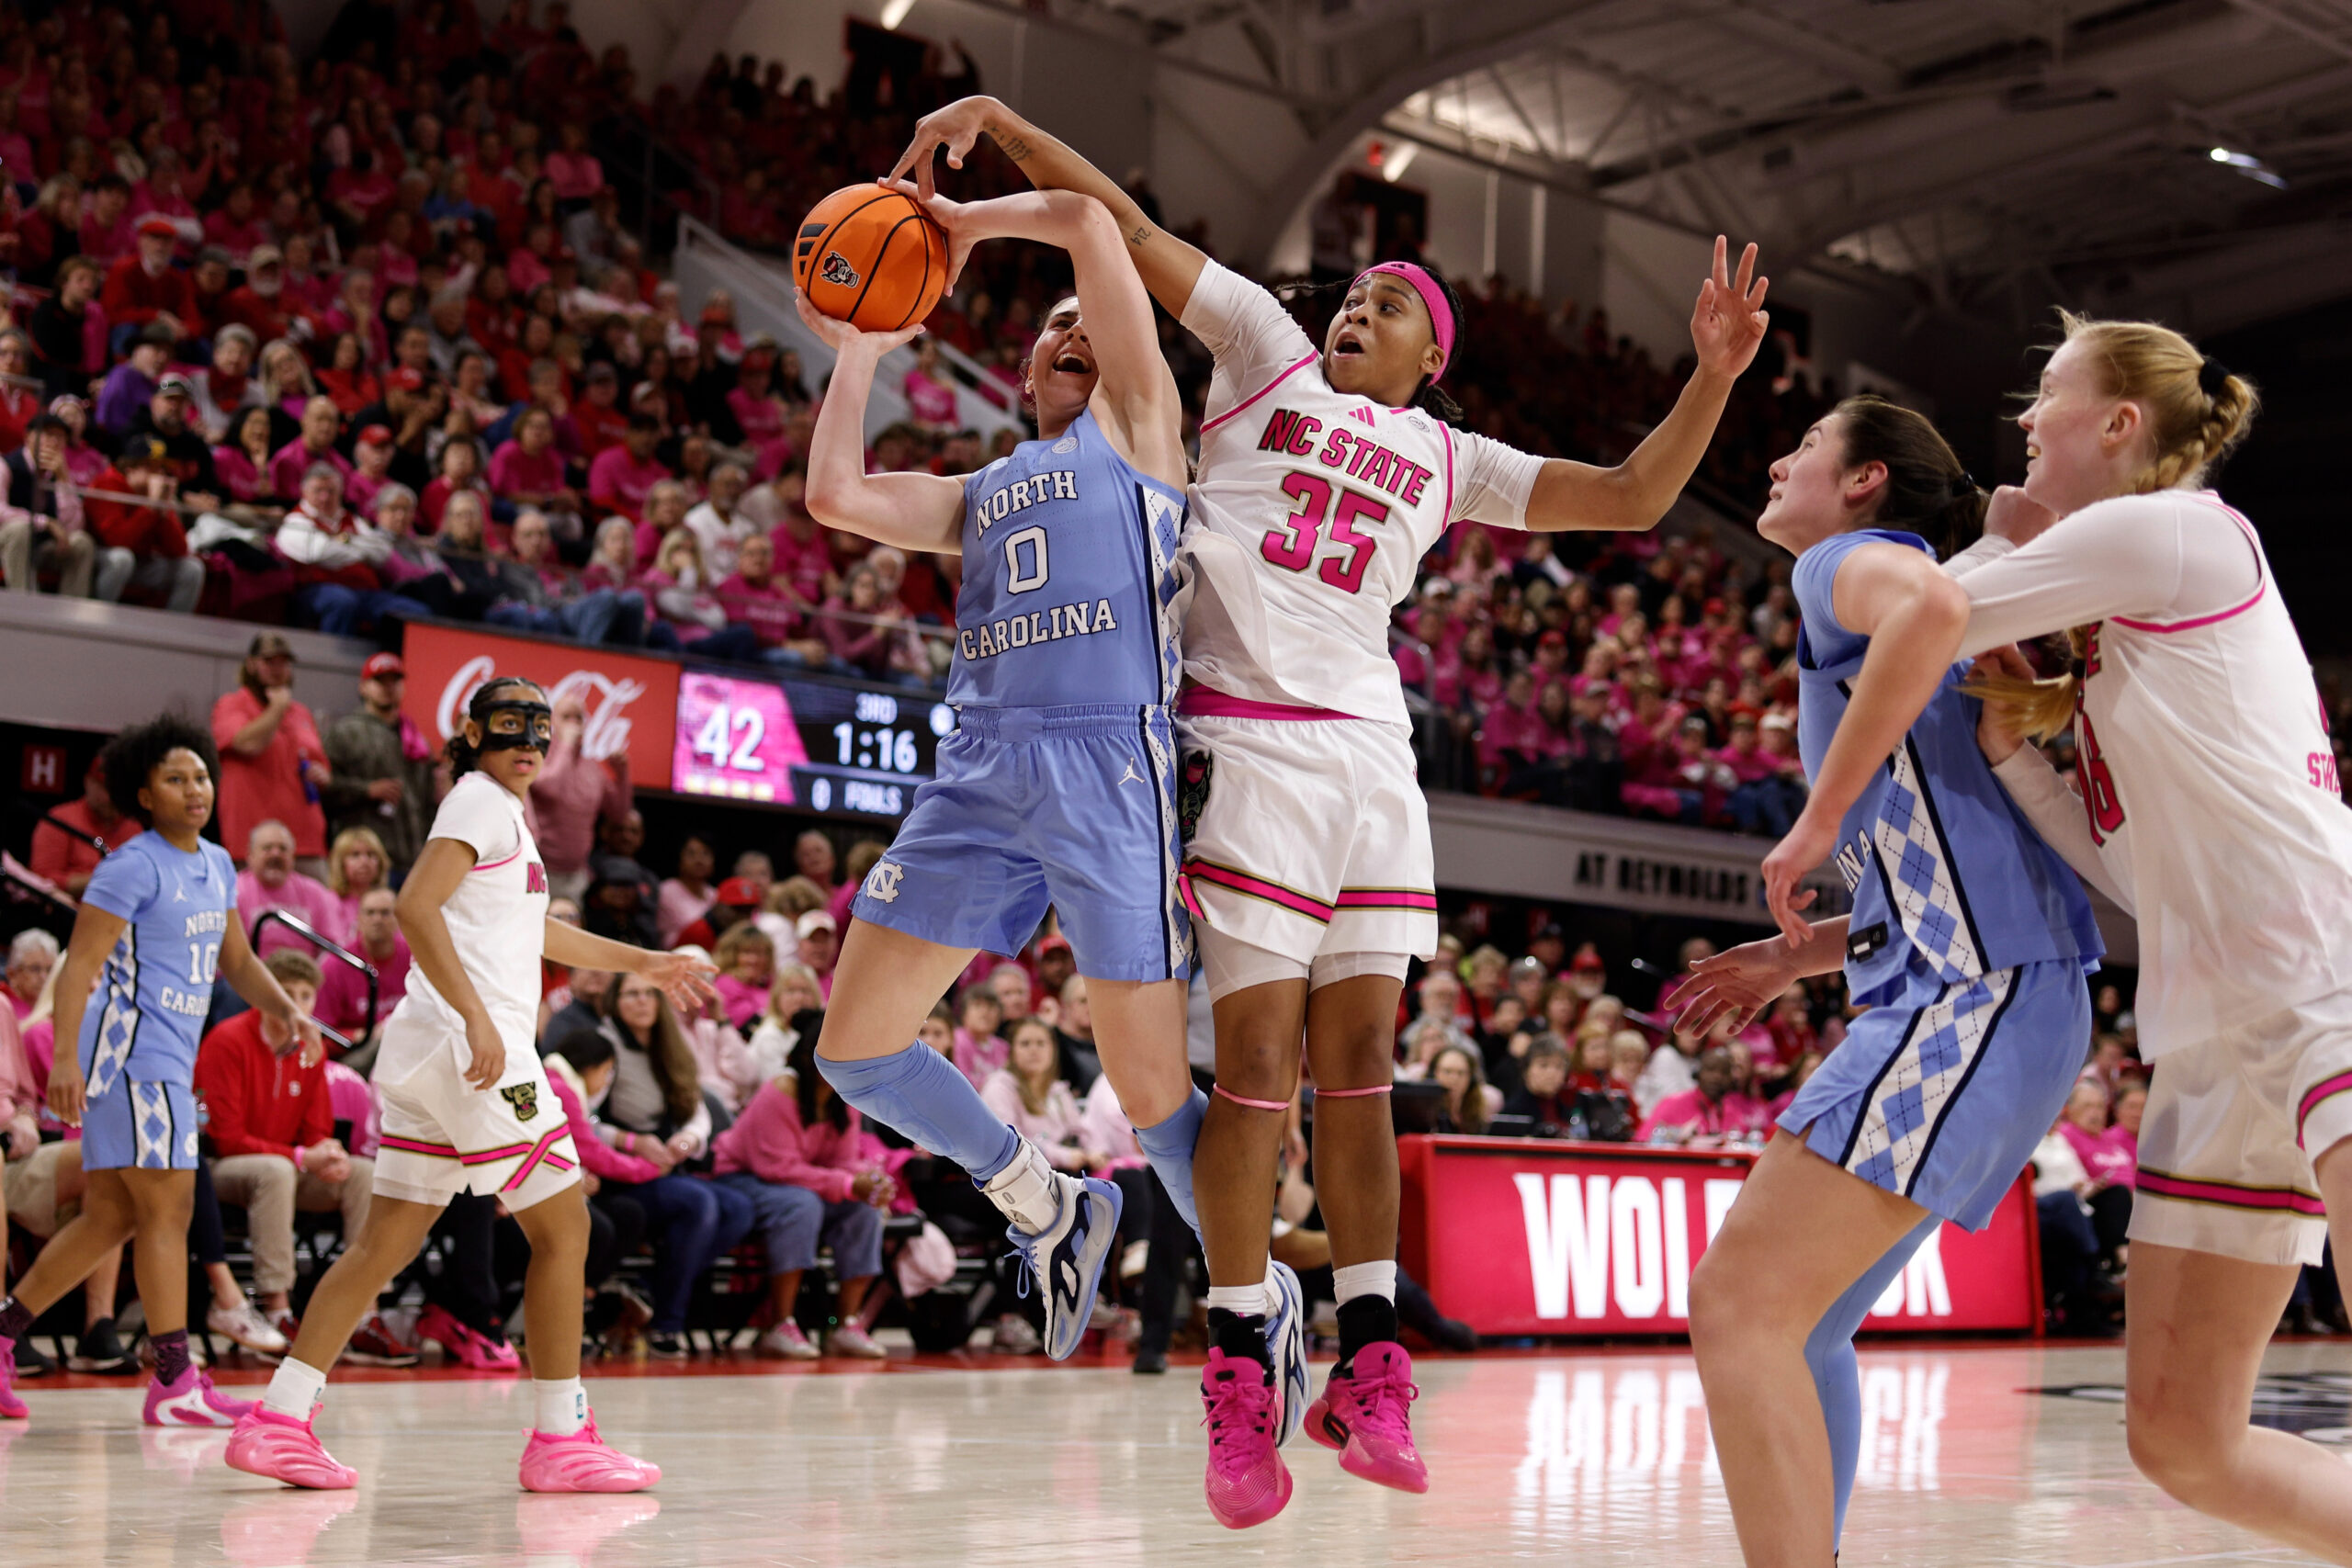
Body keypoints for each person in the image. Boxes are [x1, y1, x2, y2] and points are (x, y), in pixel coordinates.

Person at [891, 92, 1770, 1523]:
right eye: (1351, 294)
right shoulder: (1263, 358)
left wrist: (1715, 377)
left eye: (1387, 304)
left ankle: (1373, 1355)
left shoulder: (1449, 457)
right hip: (1249, 747)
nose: (1354, 308)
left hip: (1373, 757)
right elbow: (1125, 225)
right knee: (1256, 1068)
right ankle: (1241, 1370)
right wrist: (1009, 127)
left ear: (1436, 359)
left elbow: (1628, 495)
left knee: (1359, 1063)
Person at [1757, 316, 2352, 1559]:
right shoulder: (2125, 628)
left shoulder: (2173, 525)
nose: (2025, 420)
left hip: (2328, 972)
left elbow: (1923, 612)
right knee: (2184, 1438)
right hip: (2209, 1029)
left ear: (2121, 426)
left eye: (2049, 395)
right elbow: (2137, 872)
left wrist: (1819, 821)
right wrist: (2020, 759)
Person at [1664, 394, 2104, 1567]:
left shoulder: (1850, 567)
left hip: (1978, 994)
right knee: (1799, 1325)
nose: (1775, 457)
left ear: (1863, 484)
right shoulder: (1867, 586)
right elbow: (1931, 856)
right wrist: (1800, 953)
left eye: (1806, 445)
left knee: (1741, 1303)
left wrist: (1810, 824)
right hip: (2003, 988)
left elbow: (1935, 601)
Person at [223, 676, 714, 1491]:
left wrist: (645, 962)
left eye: (540, 726)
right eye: (509, 723)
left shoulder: (499, 815)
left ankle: (279, 1415)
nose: (527, 738)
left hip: (430, 1053)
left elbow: (535, 929)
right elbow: (415, 907)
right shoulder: (481, 801)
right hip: (471, 1049)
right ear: (474, 733)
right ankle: (561, 1437)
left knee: (384, 1243)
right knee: (565, 1230)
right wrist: (480, 1020)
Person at [0, 713, 322, 1424]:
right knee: (170, 1208)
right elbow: (77, 965)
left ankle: (1, 1334)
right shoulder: (131, 864)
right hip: (131, 1056)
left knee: (110, 1216)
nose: (194, 788)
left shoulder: (216, 863)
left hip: (167, 1058)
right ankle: (174, 1379)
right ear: (143, 794)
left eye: (201, 775)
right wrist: (65, 1064)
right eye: (174, 779)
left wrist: (287, 1011)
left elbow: (235, 958)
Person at [196, 950, 378, 1332]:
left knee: (362, 1174)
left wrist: (330, 1152)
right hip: (222, 1169)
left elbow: (316, 1132)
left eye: (305, 996)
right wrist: (299, 1156)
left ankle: (365, 1312)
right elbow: (225, 1139)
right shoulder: (227, 1041)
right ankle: (277, 1309)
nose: (296, 1005)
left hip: (286, 1165)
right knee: (277, 1170)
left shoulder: (310, 1047)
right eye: (286, 993)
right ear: (263, 993)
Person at [593, 970, 754, 1358]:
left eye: (649, 993)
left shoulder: (673, 1044)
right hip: (621, 1170)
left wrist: (689, 1139)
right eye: (631, 994)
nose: (642, 1001)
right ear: (615, 1002)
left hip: (669, 1163)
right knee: (698, 1203)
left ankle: (647, 1290)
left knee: (739, 1209)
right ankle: (668, 1323)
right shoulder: (605, 1046)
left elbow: (698, 1110)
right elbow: (584, 1117)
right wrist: (631, 1141)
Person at [711, 1035, 892, 1360]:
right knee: (800, 1204)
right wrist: (848, 1184)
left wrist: (868, 1179)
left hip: (800, 1181)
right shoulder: (781, 1090)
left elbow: (843, 1161)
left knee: (862, 1209)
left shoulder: (845, 1094)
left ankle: (845, 1324)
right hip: (739, 1178)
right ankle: (779, 1324)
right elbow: (778, 1168)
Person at [212, 633, 332, 872]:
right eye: (270, 662)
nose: (278, 669)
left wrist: (323, 777)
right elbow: (247, 743)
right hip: (252, 846)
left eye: (283, 663)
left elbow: (323, 769)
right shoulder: (231, 705)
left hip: (306, 843)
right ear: (251, 664)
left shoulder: (302, 713)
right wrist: (277, 708)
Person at [321, 652, 439, 871]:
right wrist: (367, 790)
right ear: (363, 687)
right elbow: (324, 788)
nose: (388, 687)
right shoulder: (344, 732)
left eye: (394, 681)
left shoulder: (416, 738)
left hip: (414, 857)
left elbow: (428, 801)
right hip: (365, 862)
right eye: (379, 681)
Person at [29, 752, 140, 898]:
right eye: (105, 788)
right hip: (67, 913)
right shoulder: (60, 819)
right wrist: (100, 879)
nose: (111, 798)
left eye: (119, 791)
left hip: (122, 914)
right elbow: (40, 880)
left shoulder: (133, 827)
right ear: (88, 782)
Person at [239, 820, 346, 957]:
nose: (276, 854)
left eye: (283, 849)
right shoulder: (235, 891)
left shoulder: (316, 892)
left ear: (293, 856)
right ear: (250, 856)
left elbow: (332, 948)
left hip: (306, 975)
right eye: (267, 848)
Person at [318, 886, 410, 1045]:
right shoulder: (336, 964)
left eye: (385, 913)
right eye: (370, 912)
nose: (377, 919)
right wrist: (360, 1036)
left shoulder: (413, 956)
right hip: (358, 1050)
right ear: (358, 919)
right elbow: (320, 1032)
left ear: (398, 918)